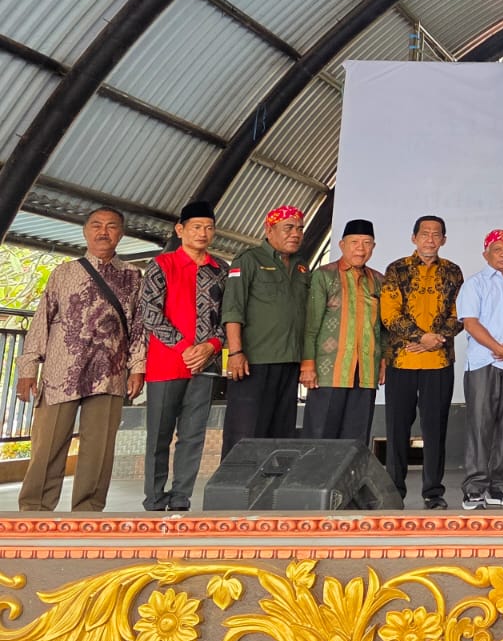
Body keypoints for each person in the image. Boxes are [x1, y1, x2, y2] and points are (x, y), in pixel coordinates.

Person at [16, 208, 143, 512]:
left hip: (109, 370)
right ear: (85, 231)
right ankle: (34, 510)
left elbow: (139, 326)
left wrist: (138, 367)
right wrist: (28, 367)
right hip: (62, 369)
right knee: (47, 444)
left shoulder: (134, 276)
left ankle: (88, 513)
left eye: (111, 226)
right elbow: (42, 321)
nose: (103, 232)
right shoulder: (64, 273)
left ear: (121, 233)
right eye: (96, 225)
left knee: (99, 448)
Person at [139, 200, 227, 512]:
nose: (203, 233)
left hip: (206, 364)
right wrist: (184, 347)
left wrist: (212, 346)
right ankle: (154, 497)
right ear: (180, 230)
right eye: (196, 227)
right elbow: (150, 312)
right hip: (166, 363)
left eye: (208, 227)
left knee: (193, 435)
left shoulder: (221, 270)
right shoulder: (161, 265)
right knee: (159, 435)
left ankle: (181, 497)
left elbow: (231, 316)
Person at [380, 215, 464, 510]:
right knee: (397, 429)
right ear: (414, 238)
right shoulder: (397, 269)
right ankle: (395, 491)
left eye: (436, 234)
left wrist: (435, 339)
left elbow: (460, 314)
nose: (430, 239)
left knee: (435, 429)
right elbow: (389, 314)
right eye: (425, 233)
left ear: (444, 240)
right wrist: (421, 337)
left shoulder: (453, 271)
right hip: (402, 360)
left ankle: (433, 492)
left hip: (439, 362)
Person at [220, 204, 311, 457]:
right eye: (288, 228)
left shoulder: (302, 266)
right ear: (269, 230)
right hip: (253, 362)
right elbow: (233, 309)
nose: (295, 234)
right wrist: (235, 353)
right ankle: (235, 481)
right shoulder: (249, 260)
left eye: (300, 229)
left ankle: (272, 482)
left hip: (289, 362)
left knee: (280, 434)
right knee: (245, 432)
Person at [457, 229, 503, 509]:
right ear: (485, 254)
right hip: (483, 363)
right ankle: (475, 488)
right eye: (497, 249)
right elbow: (470, 323)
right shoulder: (475, 284)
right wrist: (498, 348)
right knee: (480, 425)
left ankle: (499, 487)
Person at [300, 220, 384, 442]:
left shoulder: (378, 280)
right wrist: (307, 363)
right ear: (341, 245)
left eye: (367, 243)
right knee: (320, 437)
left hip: (365, 372)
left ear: (373, 247)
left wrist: (383, 361)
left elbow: (382, 328)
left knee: (356, 441)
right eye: (354, 242)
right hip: (328, 372)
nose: (360, 248)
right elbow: (310, 324)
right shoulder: (324, 276)